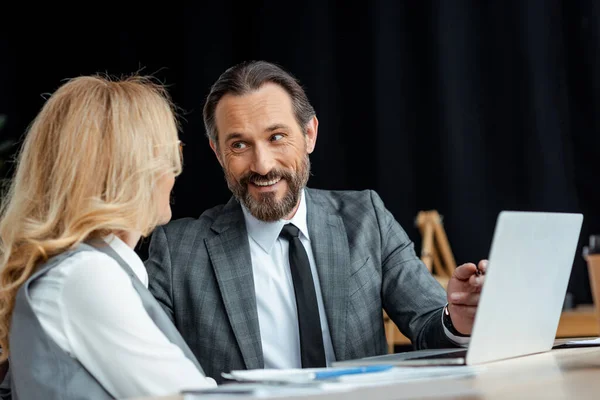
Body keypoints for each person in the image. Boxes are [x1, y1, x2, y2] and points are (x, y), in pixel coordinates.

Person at [145, 60, 487, 383]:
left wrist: (457, 318)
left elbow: (430, 325)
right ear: (218, 152)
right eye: (239, 144)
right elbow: (144, 369)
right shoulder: (178, 251)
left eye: (276, 137)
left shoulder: (366, 218)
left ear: (309, 134)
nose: (262, 165)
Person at [0, 75, 216, 399]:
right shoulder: (85, 275)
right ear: (136, 169)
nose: (174, 172)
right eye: (173, 153)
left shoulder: (74, 269)